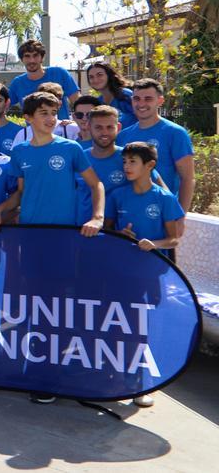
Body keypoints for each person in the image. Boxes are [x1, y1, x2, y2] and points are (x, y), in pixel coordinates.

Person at [105, 141, 186, 410]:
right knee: (121, 326)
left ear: (149, 166)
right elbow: (108, 230)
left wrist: (154, 244)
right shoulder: (117, 195)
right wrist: (121, 235)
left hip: (151, 274)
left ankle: (142, 384)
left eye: (132, 162)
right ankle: (117, 379)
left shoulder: (164, 198)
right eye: (125, 162)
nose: (126, 166)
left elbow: (174, 239)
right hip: (121, 272)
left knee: (146, 329)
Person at [0, 92, 105, 234]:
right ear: (28, 117)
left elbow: (96, 184)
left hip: (64, 229)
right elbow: (22, 192)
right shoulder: (19, 151)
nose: (51, 118)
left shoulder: (71, 148)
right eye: (44, 113)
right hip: (29, 229)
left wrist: (97, 217)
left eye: (54, 113)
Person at [116, 78, 195, 211]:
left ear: (160, 101)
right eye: (136, 98)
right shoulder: (123, 135)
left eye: (148, 99)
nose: (141, 103)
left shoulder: (175, 133)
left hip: (161, 213)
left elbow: (187, 178)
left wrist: (180, 215)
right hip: (129, 212)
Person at [8, 38, 81, 120]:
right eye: (27, 56)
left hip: (62, 130)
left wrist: (74, 124)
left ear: (42, 58)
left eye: (35, 55)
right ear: (22, 59)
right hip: (33, 131)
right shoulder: (17, 83)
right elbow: (1, 106)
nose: (32, 60)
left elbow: (78, 102)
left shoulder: (59, 73)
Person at [12, 82, 80, 145]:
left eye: (53, 99)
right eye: (44, 98)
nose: (49, 102)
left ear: (60, 103)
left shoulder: (72, 129)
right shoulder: (23, 134)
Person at [85, 61, 136, 128]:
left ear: (109, 75)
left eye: (99, 75)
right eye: (91, 77)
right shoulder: (98, 102)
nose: (95, 79)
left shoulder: (125, 95)